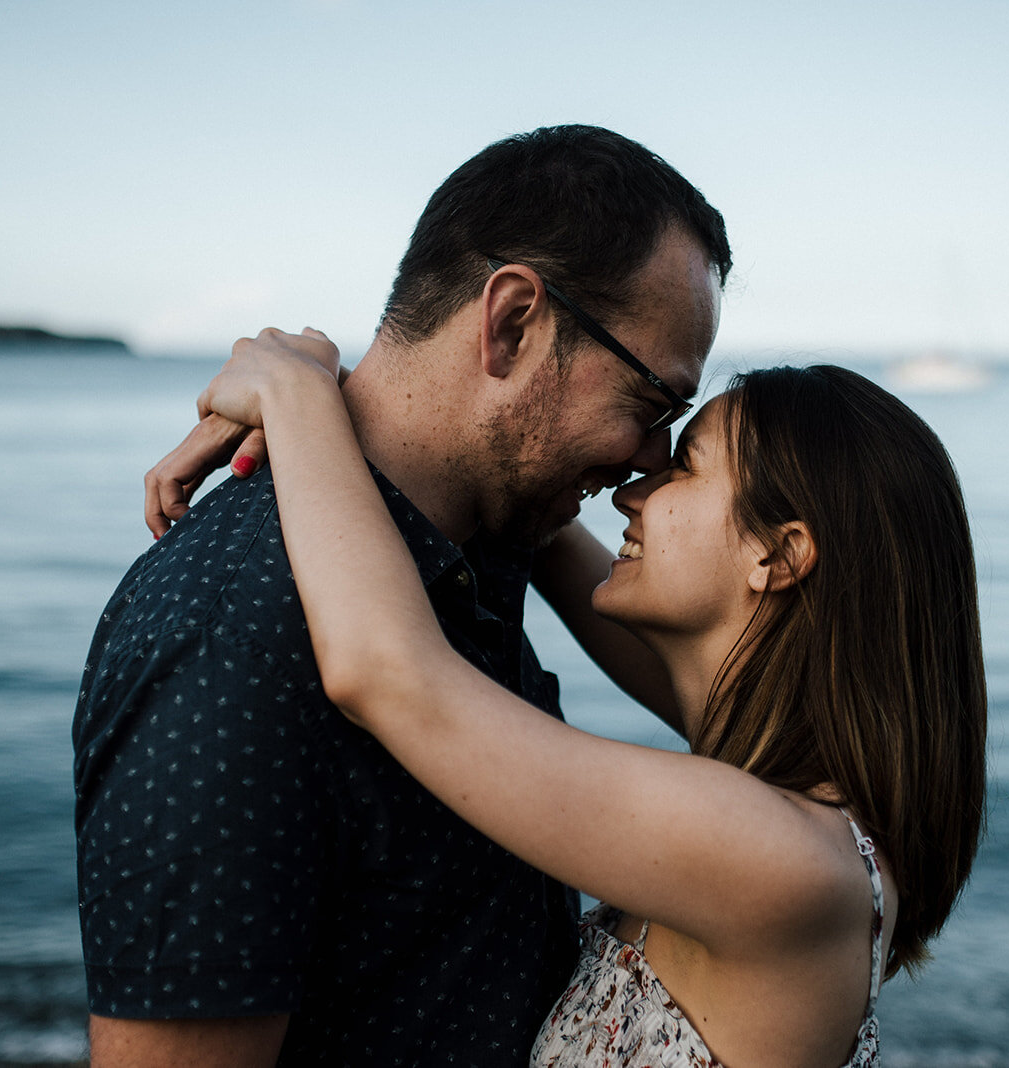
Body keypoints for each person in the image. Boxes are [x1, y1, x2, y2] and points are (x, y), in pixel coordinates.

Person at [73, 125, 731, 1066]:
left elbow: (760, 709)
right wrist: (303, 396)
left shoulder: (486, 540)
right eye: (653, 405)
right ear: (510, 324)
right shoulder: (237, 631)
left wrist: (307, 394)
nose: (649, 469)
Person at [177, 329, 988, 1067]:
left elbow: (386, 675)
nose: (631, 492)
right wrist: (380, 402)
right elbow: (540, 515)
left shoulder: (777, 859)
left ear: (779, 556)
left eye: (685, 469)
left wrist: (297, 397)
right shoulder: (803, 803)